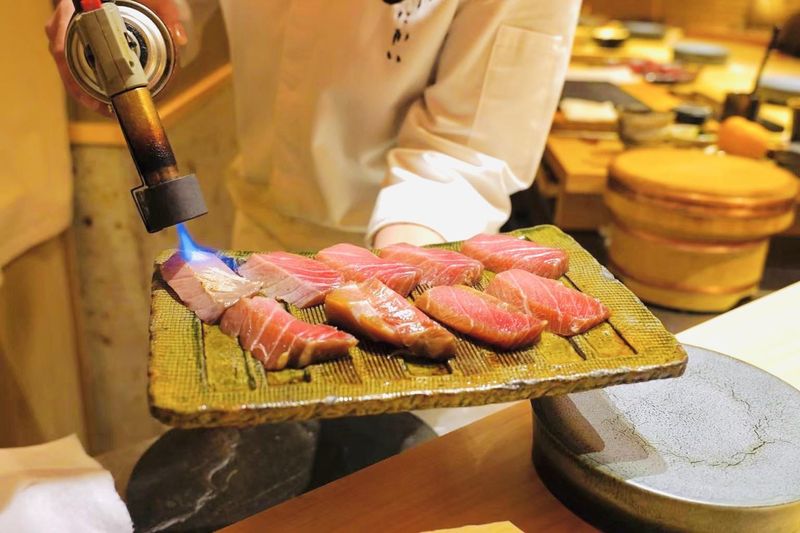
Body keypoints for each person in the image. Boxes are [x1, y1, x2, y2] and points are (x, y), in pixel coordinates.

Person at [47, 0, 580, 253]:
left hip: (409, 242)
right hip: (258, 235)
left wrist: (397, 272)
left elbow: (467, 150)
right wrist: (131, 19)